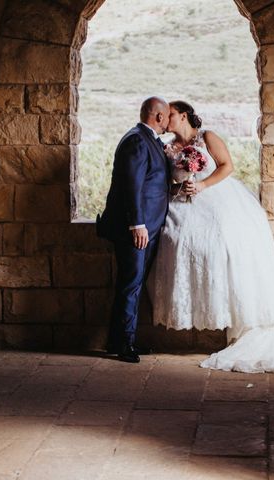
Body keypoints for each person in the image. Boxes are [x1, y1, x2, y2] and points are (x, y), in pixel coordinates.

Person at [149, 100, 274, 373]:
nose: (165, 119)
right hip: (182, 202)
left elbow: (227, 166)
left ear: (183, 115)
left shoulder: (207, 137)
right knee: (175, 240)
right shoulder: (167, 147)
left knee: (226, 244)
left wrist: (202, 184)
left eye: (169, 115)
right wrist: (179, 185)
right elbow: (166, 180)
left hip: (215, 196)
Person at [96, 96, 170, 363]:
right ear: (158, 117)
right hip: (136, 230)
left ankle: (121, 339)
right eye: (167, 116)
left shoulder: (147, 139)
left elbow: (152, 182)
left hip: (146, 227)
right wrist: (137, 224)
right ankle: (123, 343)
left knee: (133, 284)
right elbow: (132, 186)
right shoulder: (138, 140)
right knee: (130, 284)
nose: (169, 122)